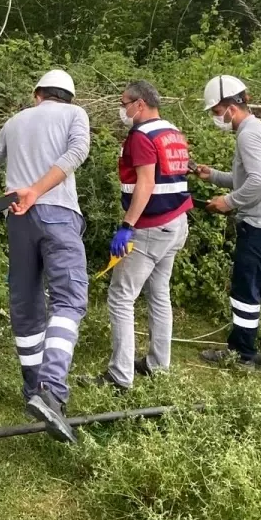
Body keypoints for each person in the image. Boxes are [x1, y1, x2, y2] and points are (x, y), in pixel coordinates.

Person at [0, 69, 91, 443]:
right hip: (58, 212)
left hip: (19, 220)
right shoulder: (75, 115)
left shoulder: (15, 121)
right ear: (68, 97)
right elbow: (78, 152)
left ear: (36, 94)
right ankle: (51, 391)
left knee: (27, 303)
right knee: (69, 299)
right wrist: (39, 189)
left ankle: (32, 391)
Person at [194, 74, 261, 371]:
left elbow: (260, 181)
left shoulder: (248, 135)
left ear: (231, 106)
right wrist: (213, 175)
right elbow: (248, 179)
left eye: (216, 112)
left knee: (245, 294)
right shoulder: (258, 130)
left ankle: (241, 355)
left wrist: (227, 203)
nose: (217, 118)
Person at [97, 80, 192, 391]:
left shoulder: (141, 135)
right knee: (159, 294)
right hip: (177, 223)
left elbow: (146, 183)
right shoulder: (172, 131)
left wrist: (127, 226)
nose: (122, 109)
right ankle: (157, 366)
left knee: (121, 296)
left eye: (125, 103)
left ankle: (120, 376)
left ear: (140, 104)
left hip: (150, 226)